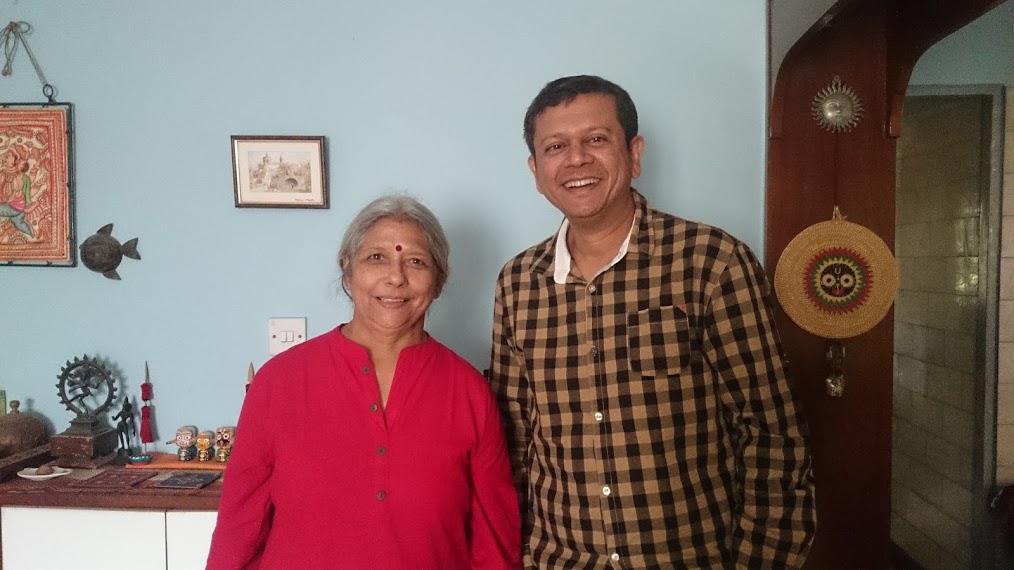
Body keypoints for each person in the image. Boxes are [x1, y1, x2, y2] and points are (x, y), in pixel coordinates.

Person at [488, 75, 816, 568]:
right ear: (536, 170)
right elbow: (512, 440)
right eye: (555, 146)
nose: (576, 159)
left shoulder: (711, 261)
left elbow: (771, 433)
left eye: (596, 139)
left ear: (634, 153)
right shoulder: (517, 283)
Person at [207, 195, 521, 569]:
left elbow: (494, 543)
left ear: (439, 281)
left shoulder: (470, 392)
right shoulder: (278, 382)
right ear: (347, 270)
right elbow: (239, 526)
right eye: (376, 257)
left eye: (416, 261)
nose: (396, 277)